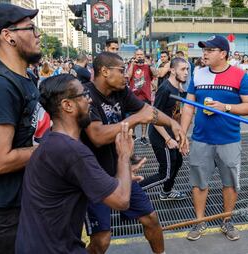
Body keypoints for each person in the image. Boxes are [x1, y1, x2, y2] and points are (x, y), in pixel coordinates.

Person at [15, 74, 138, 253]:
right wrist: (124, 156)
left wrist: (119, 178)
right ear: (67, 105)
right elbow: (121, 200)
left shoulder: (51, 140)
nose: (89, 101)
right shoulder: (73, 151)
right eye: (83, 95)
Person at [82, 52, 186, 254]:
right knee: (101, 240)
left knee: (151, 219)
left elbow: (148, 111)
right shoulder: (86, 96)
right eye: (121, 71)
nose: (126, 75)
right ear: (104, 71)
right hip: (93, 175)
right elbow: (97, 135)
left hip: (120, 171)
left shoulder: (120, 91)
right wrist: (135, 119)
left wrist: (173, 123)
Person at [0, 3, 50, 253]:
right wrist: (53, 148)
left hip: (26, 205)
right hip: (2, 218)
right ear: (8, 36)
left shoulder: (26, 79)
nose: (37, 34)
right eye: (31, 28)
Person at [180, 35, 248, 241]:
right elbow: (188, 106)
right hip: (201, 139)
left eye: (210, 50)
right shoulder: (198, 74)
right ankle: (199, 221)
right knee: (198, 183)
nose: (204, 53)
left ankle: (227, 221)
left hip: (229, 140)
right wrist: (182, 132)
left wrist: (226, 107)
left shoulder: (240, 76)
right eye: (204, 49)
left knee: (230, 183)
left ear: (223, 54)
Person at [139, 57, 189, 200]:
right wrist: (167, 139)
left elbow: (176, 115)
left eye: (187, 69)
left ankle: (166, 192)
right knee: (164, 172)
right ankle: (133, 190)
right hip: (160, 136)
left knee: (177, 162)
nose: (186, 73)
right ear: (172, 71)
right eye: (183, 69)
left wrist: (180, 138)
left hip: (171, 134)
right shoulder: (165, 89)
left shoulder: (178, 88)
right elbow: (153, 117)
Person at [127, 48, 155, 145]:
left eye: (141, 54)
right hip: (133, 96)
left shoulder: (147, 66)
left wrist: (149, 64)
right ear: (135, 56)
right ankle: (133, 134)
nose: (139, 56)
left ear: (144, 56)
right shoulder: (131, 65)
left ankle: (143, 136)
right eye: (137, 54)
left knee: (145, 118)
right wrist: (132, 64)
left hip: (145, 96)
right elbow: (128, 77)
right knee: (133, 116)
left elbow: (156, 74)